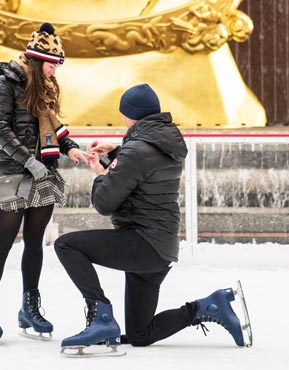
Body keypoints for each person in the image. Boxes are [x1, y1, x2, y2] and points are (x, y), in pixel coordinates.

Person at [54, 83, 245, 353]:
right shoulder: (164, 143)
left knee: (66, 245)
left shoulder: (137, 151)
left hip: (142, 243)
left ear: (130, 114)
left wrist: (100, 173)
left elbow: (105, 202)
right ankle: (210, 306)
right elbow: (140, 172)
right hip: (160, 248)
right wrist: (116, 153)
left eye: (122, 113)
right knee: (140, 333)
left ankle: (101, 317)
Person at [0, 22, 90, 344]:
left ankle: (30, 306)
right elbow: (0, 130)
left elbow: (54, 126)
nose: (55, 70)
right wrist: (29, 162)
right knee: (3, 241)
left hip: (44, 173)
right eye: (52, 64)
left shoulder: (46, 88)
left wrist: (71, 148)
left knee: (35, 242)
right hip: (13, 174)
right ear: (38, 61)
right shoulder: (5, 84)